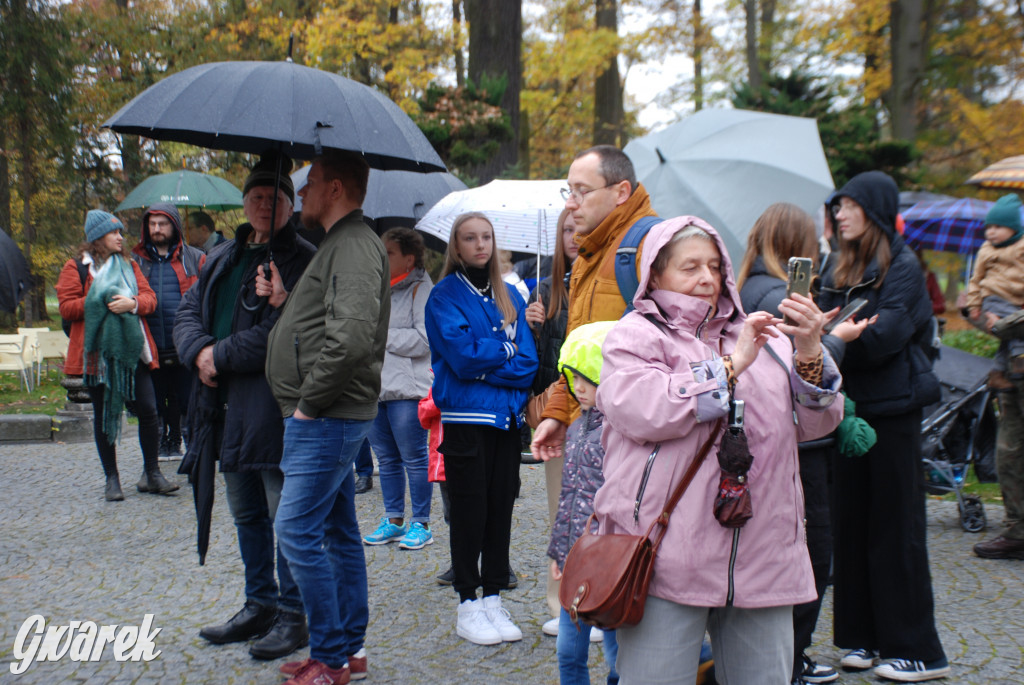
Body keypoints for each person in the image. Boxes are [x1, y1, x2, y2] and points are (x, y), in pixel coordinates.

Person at [587, 215, 842, 684]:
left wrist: (808, 350)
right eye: (689, 268)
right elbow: (644, 410)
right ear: (656, 274)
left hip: (763, 551)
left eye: (714, 266)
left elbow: (816, 423)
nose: (707, 278)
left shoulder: (766, 339)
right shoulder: (636, 335)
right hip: (665, 556)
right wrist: (730, 366)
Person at [174, 151, 316, 661]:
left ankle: (294, 614)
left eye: (274, 198)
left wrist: (217, 355)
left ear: (288, 205)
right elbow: (187, 313)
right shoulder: (221, 258)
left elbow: (279, 336)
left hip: (271, 411)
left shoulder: (300, 258)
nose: (263, 205)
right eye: (256, 197)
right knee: (246, 514)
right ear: (244, 202)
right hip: (224, 411)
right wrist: (197, 352)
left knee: (286, 518)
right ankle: (259, 603)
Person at [818, 171, 950, 682]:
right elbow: (829, 328)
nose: (840, 215)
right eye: (837, 208)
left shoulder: (904, 265)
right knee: (851, 525)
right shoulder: (836, 262)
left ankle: (918, 650)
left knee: (896, 529)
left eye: (849, 206)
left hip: (894, 409)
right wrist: (835, 333)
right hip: (847, 406)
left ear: (873, 210)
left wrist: (834, 336)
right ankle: (861, 638)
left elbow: (888, 334)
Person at [265, 150, 388, 685]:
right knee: (337, 533)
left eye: (310, 181)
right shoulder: (341, 244)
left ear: (335, 188)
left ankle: (332, 657)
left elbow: (353, 337)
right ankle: (348, 652)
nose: (303, 192)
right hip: (327, 416)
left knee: (294, 532)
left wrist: (308, 405)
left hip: (327, 417)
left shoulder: (355, 245)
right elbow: (329, 319)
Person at [736, 202, 872, 685]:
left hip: (762, 439)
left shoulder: (744, 287)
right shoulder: (783, 296)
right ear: (798, 247)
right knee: (810, 552)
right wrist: (835, 340)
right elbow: (795, 365)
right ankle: (790, 661)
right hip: (802, 443)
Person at [424, 212, 538, 646]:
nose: (479, 245)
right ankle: (468, 601)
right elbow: (461, 357)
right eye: (470, 238)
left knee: (500, 510)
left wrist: (492, 361)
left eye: (486, 237)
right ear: (456, 245)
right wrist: (501, 353)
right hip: (466, 421)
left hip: (506, 420)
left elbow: (525, 365)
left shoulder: (510, 295)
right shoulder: (443, 296)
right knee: (469, 512)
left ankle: (493, 595)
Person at [531, 144, 657, 462]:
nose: (571, 204)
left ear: (621, 192)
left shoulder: (653, 248)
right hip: (585, 434)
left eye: (582, 191)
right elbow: (578, 355)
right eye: (568, 191)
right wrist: (558, 414)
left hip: (633, 443)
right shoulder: (588, 252)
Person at [56, 210, 179, 501]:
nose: (121, 238)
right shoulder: (76, 267)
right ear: (99, 237)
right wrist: (100, 297)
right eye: (115, 233)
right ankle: (112, 479)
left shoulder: (130, 265)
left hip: (132, 352)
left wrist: (132, 303)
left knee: (149, 411)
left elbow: (150, 299)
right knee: (105, 415)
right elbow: (67, 308)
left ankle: (152, 474)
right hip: (99, 355)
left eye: (121, 233)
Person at [547, 321, 619, 685]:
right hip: (576, 558)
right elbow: (568, 497)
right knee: (567, 651)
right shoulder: (576, 427)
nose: (578, 388)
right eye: (573, 378)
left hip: (607, 560)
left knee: (616, 648)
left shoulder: (621, 429)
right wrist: (560, 553)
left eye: (587, 379)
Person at [524, 208, 582, 638]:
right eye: (567, 229)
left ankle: (598, 596)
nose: (574, 235)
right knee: (561, 509)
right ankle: (560, 602)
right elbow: (536, 365)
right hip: (558, 412)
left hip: (599, 410)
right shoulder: (545, 290)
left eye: (580, 227)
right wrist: (533, 329)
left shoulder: (609, 285)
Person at [361, 227, 435, 550]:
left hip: (408, 390)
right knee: (386, 460)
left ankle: (421, 523)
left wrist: (383, 337)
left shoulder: (422, 289)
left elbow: (425, 340)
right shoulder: (376, 290)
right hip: (376, 388)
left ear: (409, 257)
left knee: (414, 459)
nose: (382, 256)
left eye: (389, 252)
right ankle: (393, 519)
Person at [966, 193, 1024, 560]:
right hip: (1013, 378)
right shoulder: (989, 253)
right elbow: (977, 308)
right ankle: (1017, 530)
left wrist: (1004, 324)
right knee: (1009, 452)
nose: (991, 231)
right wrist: (979, 313)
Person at [130, 203, 205, 463]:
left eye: (162, 224)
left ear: (174, 225)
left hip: (185, 344)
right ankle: (162, 444)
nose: (157, 229)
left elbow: (207, 299)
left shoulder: (195, 258)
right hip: (150, 344)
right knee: (154, 404)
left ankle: (194, 452)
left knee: (189, 402)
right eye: (152, 224)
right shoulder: (134, 261)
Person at [965, 193, 1024, 392]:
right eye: (988, 227)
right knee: (1017, 327)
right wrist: (974, 305)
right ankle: (1019, 360)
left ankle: (997, 372)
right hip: (995, 298)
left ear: (1014, 227)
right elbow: (976, 279)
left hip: (1016, 301)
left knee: (1007, 335)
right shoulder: (987, 249)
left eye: (998, 227)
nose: (991, 232)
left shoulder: (1021, 245)